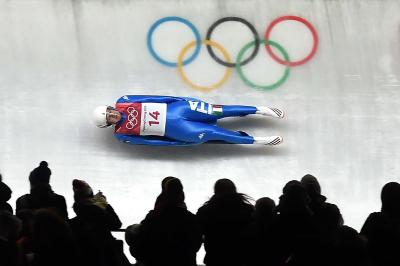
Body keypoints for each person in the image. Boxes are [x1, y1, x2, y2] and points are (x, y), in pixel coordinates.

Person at [93, 95, 284, 146]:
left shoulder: (124, 101)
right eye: (110, 118)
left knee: (218, 110)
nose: (113, 115)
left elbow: (153, 98)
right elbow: (150, 142)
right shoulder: (121, 135)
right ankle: (256, 140)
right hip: (179, 130)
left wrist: (179, 100)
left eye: (110, 112)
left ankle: (259, 110)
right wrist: (176, 143)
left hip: (179, 108)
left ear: (111, 108)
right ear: (109, 124)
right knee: (214, 133)